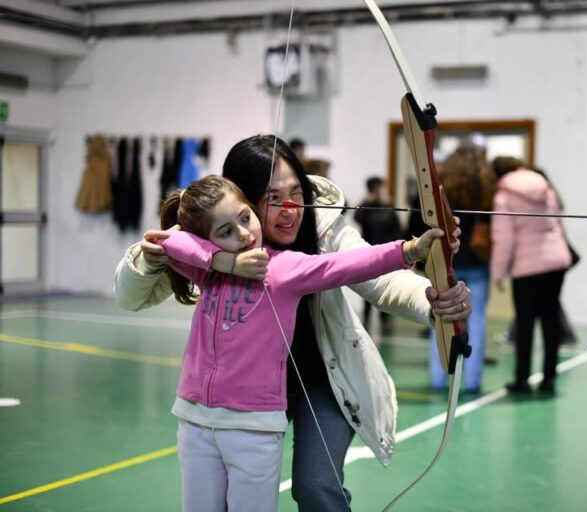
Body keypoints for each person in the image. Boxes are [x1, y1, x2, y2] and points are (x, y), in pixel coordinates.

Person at [114, 135, 472, 511]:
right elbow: (132, 291)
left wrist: (432, 299)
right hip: (238, 395)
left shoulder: (324, 229)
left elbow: (375, 276)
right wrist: (163, 256)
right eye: (272, 198)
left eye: (296, 192)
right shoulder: (218, 238)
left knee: (316, 485)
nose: (290, 209)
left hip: (323, 379)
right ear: (243, 200)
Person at [490, 157, 572, 394]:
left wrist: (498, 273)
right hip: (556, 262)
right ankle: (549, 379)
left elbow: (504, 240)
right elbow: (557, 224)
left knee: (525, 323)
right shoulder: (545, 187)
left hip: (527, 267)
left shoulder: (503, 196)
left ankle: (522, 380)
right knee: (551, 321)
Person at [428, 145, 495, 393]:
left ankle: (438, 378)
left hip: (447, 263)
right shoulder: (486, 188)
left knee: (440, 319)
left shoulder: (441, 188)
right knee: (475, 322)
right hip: (477, 263)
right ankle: (472, 382)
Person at [353, 176, 403, 335]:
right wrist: (366, 201)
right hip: (368, 251)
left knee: (386, 287)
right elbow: (356, 217)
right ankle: (366, 319)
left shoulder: (388, 207)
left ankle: (385, 321)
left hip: (386, 253)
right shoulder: (366, 208)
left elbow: (397, 229)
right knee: (368, 287)